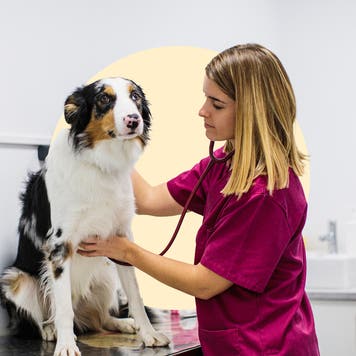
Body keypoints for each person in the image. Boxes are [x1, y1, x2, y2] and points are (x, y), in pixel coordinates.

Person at [78, 43, 320, 355]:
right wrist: (107, 139)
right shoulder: (222, 167)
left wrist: (127, 251)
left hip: (267, 347)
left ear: (251, 112)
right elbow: (150, 199)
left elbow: (205, 283)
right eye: (205, 97)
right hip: (230, 343)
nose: (202, 110)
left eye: (216, 104)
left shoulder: (267, 194)